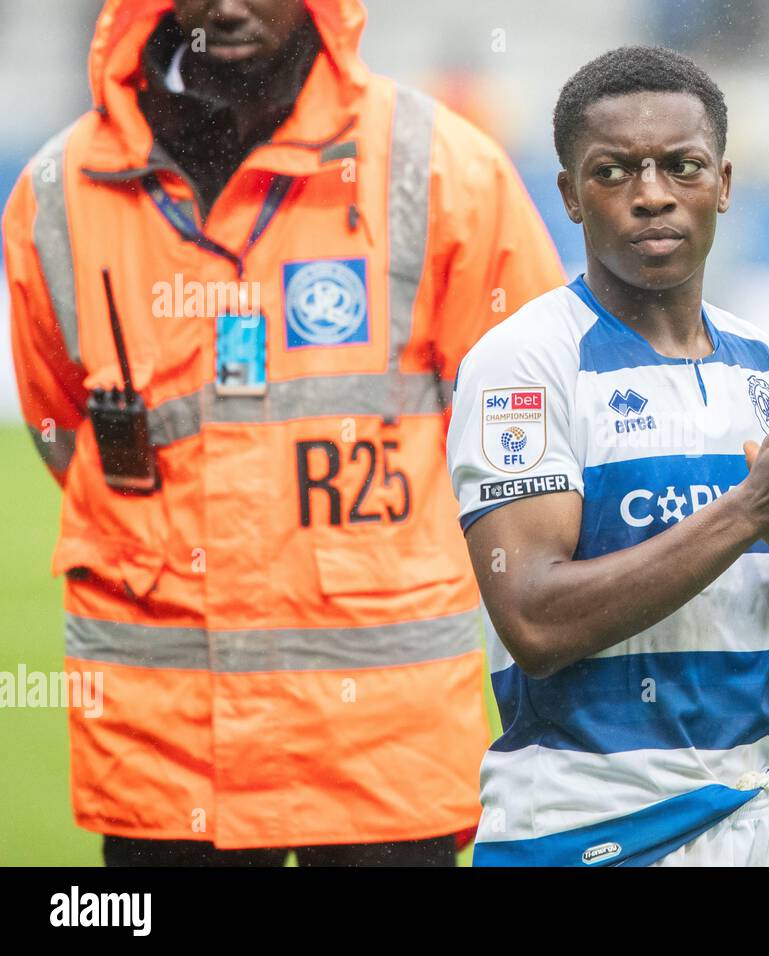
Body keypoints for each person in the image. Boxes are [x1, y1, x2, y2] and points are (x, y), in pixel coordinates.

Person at [3, 0, 564, 866]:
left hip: (383, 755)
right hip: (166, 761)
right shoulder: (58, 191)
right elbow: (64, 430)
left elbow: (529, 425)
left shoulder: (440, 168)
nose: (227, 6)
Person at [447, 46, 769, 866]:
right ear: (572, 197)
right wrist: (753, 509)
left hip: (752, 828)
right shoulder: (527, 363)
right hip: (582, 832)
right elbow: (536, 620)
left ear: (722, 183)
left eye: (681, 167)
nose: (652, 195)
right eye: (614, 172)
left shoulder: (768, 368)